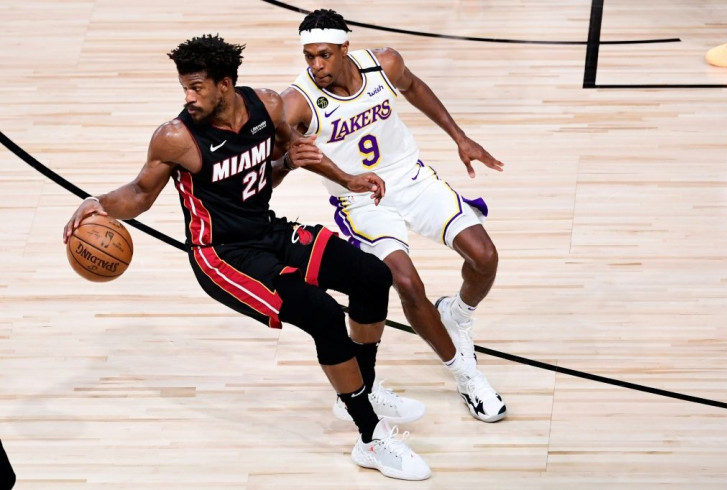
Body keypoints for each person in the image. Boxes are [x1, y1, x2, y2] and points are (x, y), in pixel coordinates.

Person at [62, 35, 430, 481]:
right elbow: (140, 194)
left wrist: (345, 177)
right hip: (222, 257)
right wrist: (95, 201)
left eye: (197, 87)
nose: (188, 98)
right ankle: (371, 438)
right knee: (323, 314)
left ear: (225, 83)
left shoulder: (267, 107)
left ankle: (360, 390)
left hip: (267, 230)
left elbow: (293, 154)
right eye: (184, 88)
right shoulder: (177, 137)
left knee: (372, 275)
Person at [281, 9, 507, 423]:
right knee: (405, 281)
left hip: (412, 177)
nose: (315, 65)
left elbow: (415, 87)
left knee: (485, 257)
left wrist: (461, 138)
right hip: (361, 201)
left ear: (346, 48)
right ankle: (466, 376)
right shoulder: (298, 100)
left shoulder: (384, 63)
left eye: (324, 55)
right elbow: (288, 152)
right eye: (309, 56)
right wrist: (343, 178)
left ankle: (456, 314)